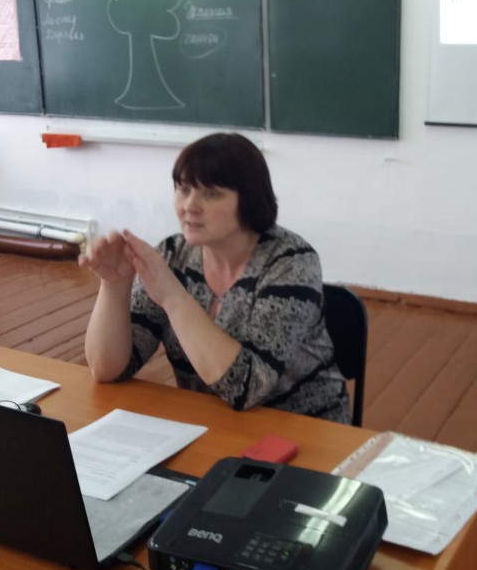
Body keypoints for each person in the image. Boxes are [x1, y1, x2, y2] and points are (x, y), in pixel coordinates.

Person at [80, 132, 350, 423]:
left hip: (303, 428)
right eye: (183, 189)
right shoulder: (173, 255)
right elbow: (107, 369)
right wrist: (114, 285)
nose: (190, 205)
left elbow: (246, 388)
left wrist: (173, 296)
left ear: (249, 199)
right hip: (211, 424)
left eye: (211, 193)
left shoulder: (292, 262)